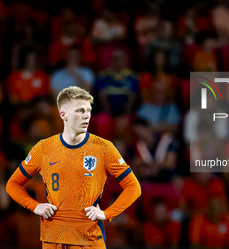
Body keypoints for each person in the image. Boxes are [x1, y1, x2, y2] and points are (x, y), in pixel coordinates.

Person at [6, 86, 141, 248]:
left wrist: (107, 214)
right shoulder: (43, 148)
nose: (86, 116)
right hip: (53, 239)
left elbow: (134, 187)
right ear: (63, 115)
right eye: (80, 111)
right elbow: (12, 184)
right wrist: (35, 206)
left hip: (89, 239)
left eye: (88, 110)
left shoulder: (104, 148)